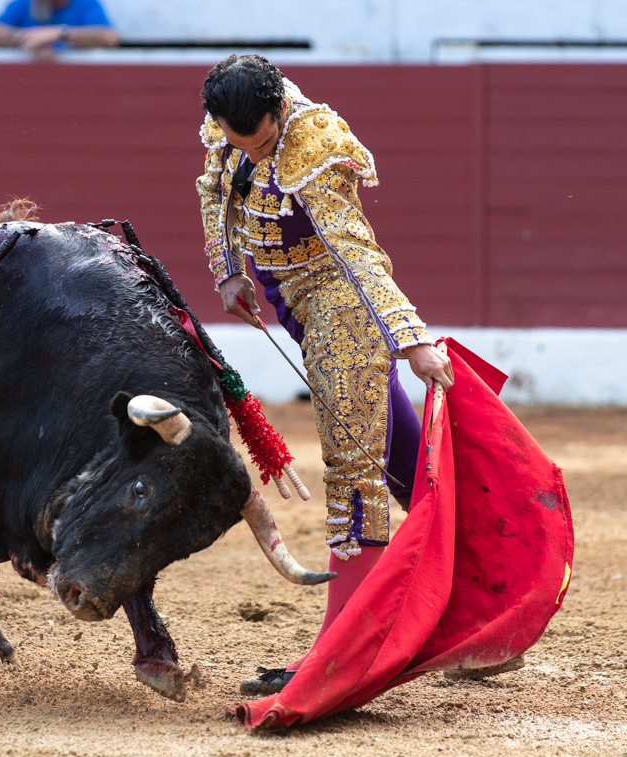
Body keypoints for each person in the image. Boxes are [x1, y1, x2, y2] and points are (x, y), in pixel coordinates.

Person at [194, 55, 455, 696]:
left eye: (259, 140)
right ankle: (465, 612)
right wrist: (229, 267)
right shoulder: (229, 130)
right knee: (395, 452)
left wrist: (412, 338)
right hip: (295, 301)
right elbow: (215, 186)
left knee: (353, 468)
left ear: (281, 112)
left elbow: (357, 251)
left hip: (342, 302)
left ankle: (346, 648)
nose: (245, 150)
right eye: (235, 139)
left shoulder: (316, 142)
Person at [0, 0, 118, 58]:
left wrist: (59, 33)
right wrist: (31, 37)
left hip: (76, 85)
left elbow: (108, 37)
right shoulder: (25, 3)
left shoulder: (85, 4)